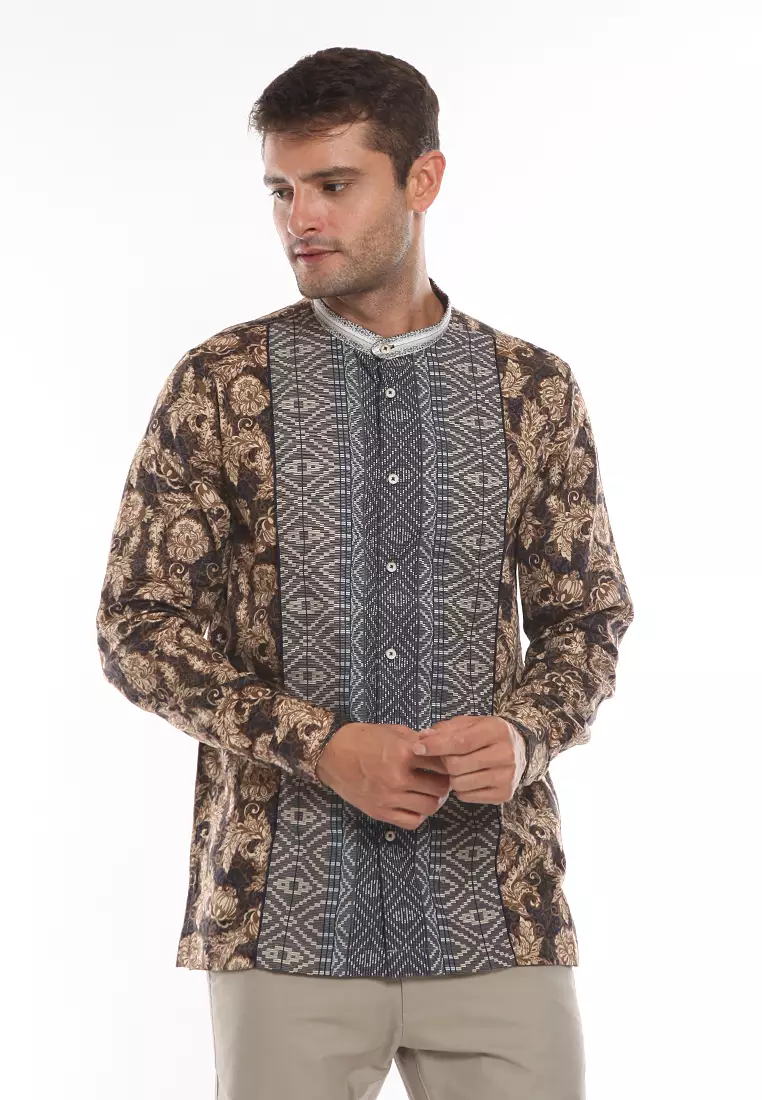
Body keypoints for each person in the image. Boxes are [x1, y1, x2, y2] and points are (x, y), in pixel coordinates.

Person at [95, 45, 634, 1100]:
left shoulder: (534, 391)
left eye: (334, 185)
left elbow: (587, 618)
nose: (301, 218)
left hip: (497, 911)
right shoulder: (221, 383)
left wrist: (523, 735)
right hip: (281, 920)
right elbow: (138, 626)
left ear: (422, 179)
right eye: (282, 190)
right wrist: (319, 744)